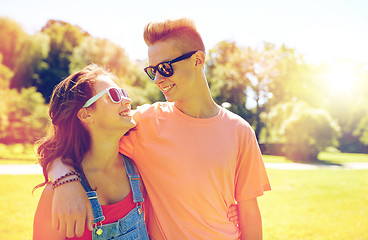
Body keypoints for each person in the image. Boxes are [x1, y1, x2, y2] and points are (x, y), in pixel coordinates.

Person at [48, 18, 271, 239]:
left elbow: (249, 211)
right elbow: (69, 141)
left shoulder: (240, 132)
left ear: (198, 60)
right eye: (152, 70)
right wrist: (65, 182)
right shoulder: (143, 123)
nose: (157, 79)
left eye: (164, 68)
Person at [33, 64, 150, 239]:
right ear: (86, 115)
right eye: (114, 95)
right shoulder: (56, 195)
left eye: (124, 93)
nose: (127, 101)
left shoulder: (140, 171)